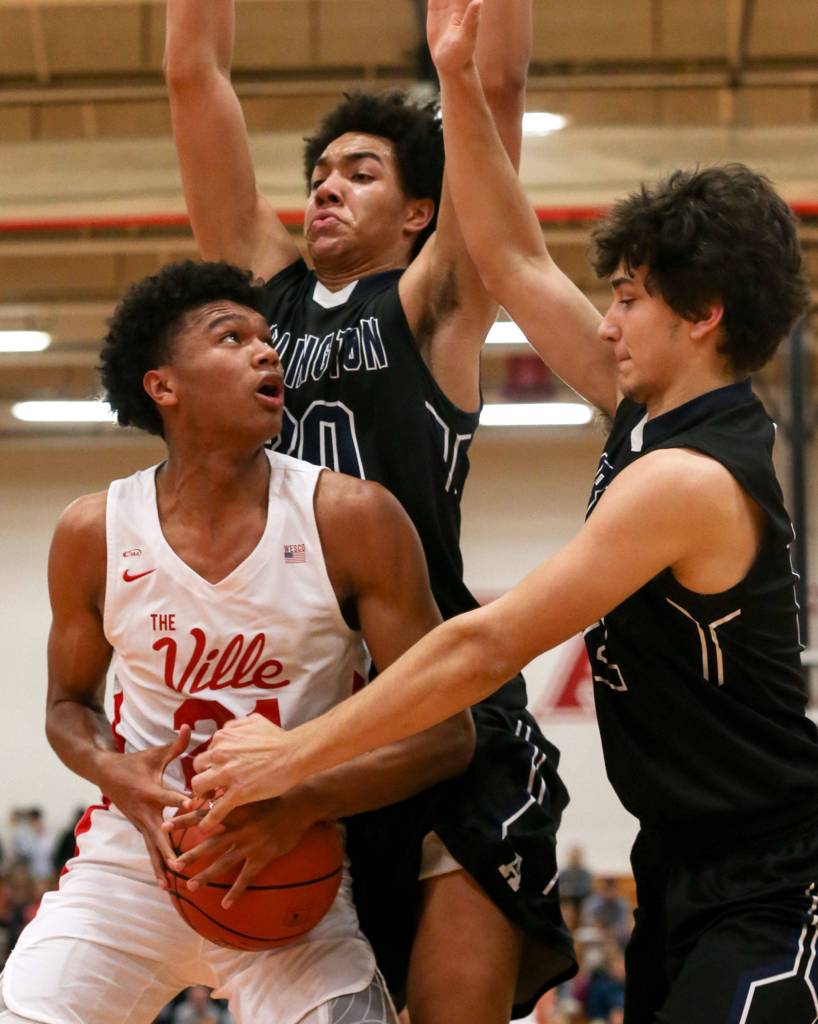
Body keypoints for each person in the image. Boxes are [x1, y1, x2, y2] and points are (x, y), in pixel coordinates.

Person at [189, 3, 818, 1021]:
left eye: (626, 297)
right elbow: (515, 259)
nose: (602, 318)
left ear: (699, 317)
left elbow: (485, 644)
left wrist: (298, 753)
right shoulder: (647, 409)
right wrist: (461, 76)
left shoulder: (686, 479)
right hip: (681, 862)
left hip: (776, 871)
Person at [164, 2, 576, 1019]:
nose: (326, 188)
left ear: (419, 212)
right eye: (319, 175)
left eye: (359, 173)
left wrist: (460, 60)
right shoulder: (264, 310)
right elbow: (194, 79)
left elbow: (500, 89)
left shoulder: (434, 302)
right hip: (315, 728)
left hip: (442, 717)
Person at [0, 260, 478, 1024]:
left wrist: (305, 799)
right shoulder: (95, 532)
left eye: (268, 338)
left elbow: (447, 735)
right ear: (164, 386)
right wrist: (113, 770)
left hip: (288, 860)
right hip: (135, 862)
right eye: (234, 338)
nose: (268, 352)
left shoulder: (350, 519)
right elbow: (66, 706)